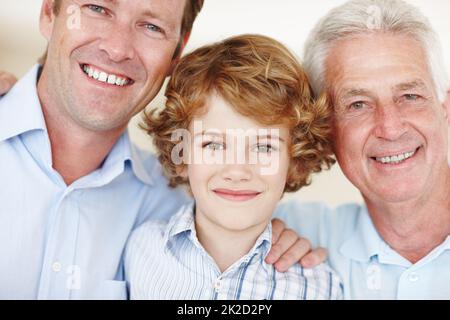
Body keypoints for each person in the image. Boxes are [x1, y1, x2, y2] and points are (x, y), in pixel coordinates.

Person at [0, 0, 318, 299]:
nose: (117, 48)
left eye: (152, 27)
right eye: (97, 8)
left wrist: (266, 243)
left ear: (177, 51)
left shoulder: (175, 203)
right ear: (47, 12)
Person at [125, 34, 343, 300]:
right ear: (181, 157)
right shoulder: (139, 250)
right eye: (214, 145)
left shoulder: (319, 287)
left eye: (264, 147)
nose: (238, 171)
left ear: (294, 161)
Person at [275, 0, 450, 299]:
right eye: (357, 104)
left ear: (445, 109)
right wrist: (247, 240)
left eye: (409, 95)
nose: (390, 127)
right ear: (326, 132)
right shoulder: (294, 236)